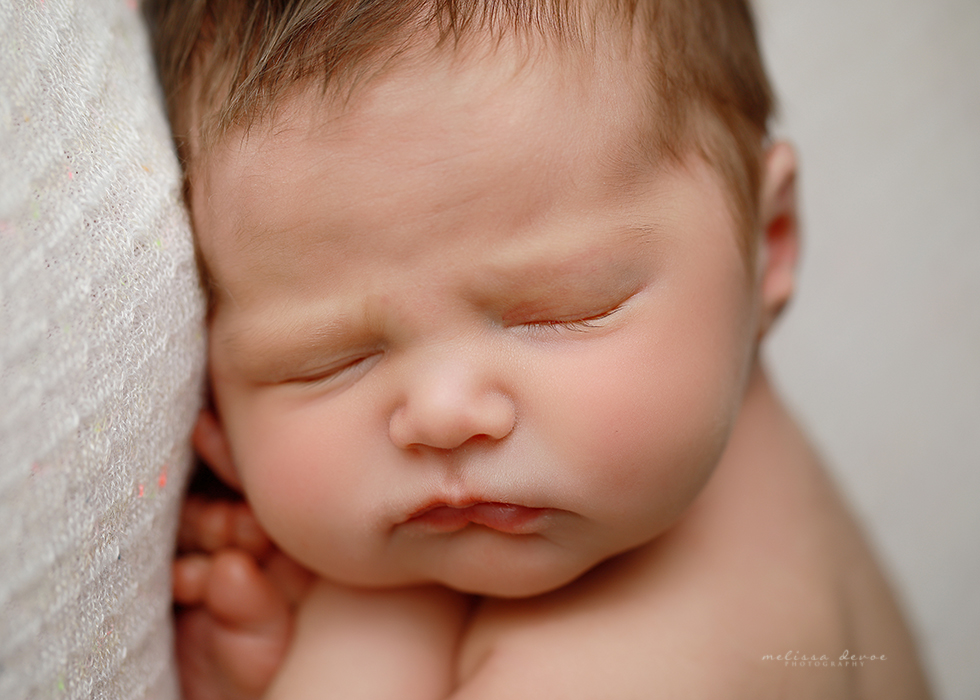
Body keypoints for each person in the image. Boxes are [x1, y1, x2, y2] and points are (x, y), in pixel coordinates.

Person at [146, 0, 933, 697]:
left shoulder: (677, 663)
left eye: (559, 312)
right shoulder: (663, 467)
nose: (445, 414)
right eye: (324, 360)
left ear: (768, 244)